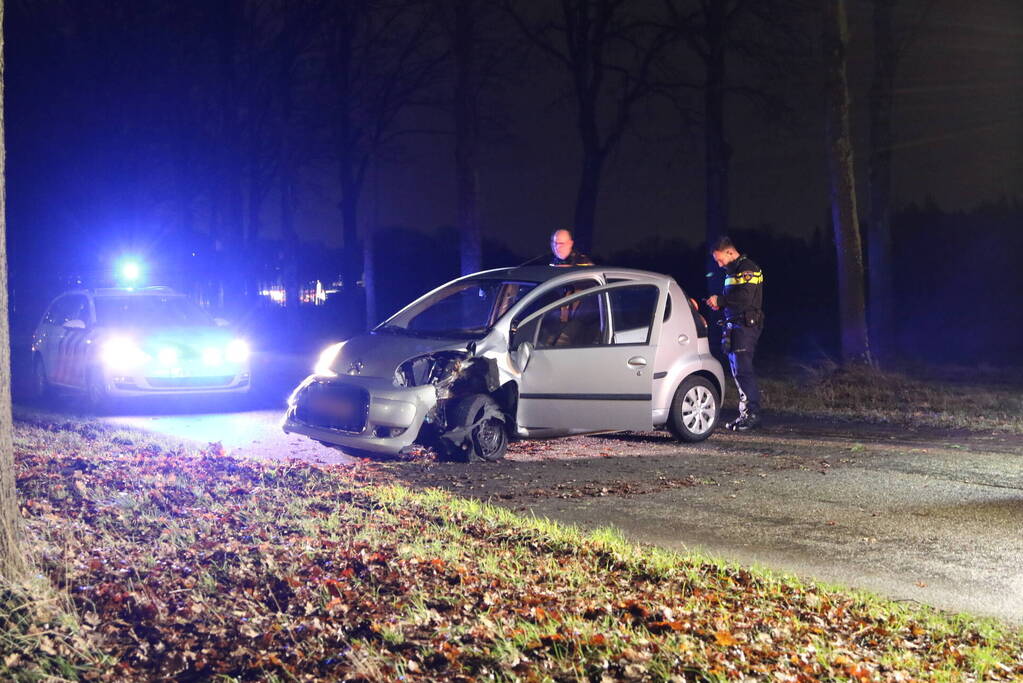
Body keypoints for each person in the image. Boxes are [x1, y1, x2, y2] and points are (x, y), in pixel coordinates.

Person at [706, 236, 764, 431]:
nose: (719, 264)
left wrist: (720, 301)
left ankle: (753, 415)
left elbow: (745, 298)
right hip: (734, 326)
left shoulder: (748, 268)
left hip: (745, 326)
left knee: (743, 371)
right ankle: (745, 414)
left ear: (730, 252)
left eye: (720, 259)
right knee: (737, 371)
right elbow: (734, 299)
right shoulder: (733, 270)